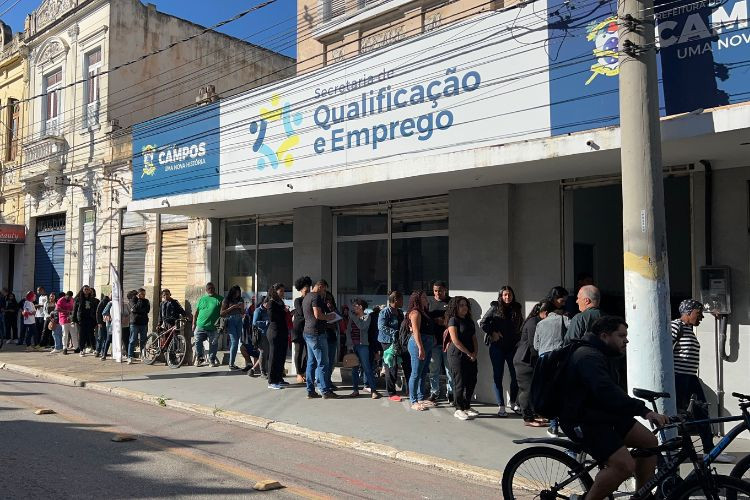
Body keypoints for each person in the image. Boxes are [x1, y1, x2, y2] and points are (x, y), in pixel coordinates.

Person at [559, 316, 669, 500]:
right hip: (583, 420)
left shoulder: (605, 354)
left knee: (649, 442)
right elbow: (607, 392)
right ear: (604, 336)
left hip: (604, 415)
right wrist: (645, 412)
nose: (626, 340)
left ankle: (642, 496)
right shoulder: (587, 356)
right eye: (621, 335)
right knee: (624, 466)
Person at [671, 299, 733, 463]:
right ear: (688, 313)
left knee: (702, 410)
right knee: (681, 414)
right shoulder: (676, 326)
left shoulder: (688, 329)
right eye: (698, 314)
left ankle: (709, 450)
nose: (701, 317)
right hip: (679, 377)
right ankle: (683, 449)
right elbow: (665, 350)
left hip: (690, 377)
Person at [480, 286, 523, 417]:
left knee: (515, 376)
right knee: (498, 376)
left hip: (513, 347)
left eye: (509, 294)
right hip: (497, 347)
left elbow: (520, 325)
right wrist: (493, 332)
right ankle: (501, 406)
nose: (507, 297)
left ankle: (513, 402)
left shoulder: (517, 308)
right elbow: (483, 323)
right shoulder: (495, 308)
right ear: (501, 296)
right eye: (505, 295)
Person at [533, 297, 571, 436]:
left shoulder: (540, 324)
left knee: (549, 392)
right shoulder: (563, 319)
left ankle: (553, 427)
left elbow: (536, 345)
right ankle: (568, 426)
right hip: (560, 357)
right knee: (563, 391)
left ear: (546, 312)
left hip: (544, 360)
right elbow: (573, 333)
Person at [513, 300, 554, 426]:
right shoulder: (533, 323)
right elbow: (533, 345)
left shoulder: (538, 321)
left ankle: (533, 414)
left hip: (529, 360)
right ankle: (528, 418)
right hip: (524, 361)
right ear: (545, 313)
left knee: (532, 389)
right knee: (527, 390)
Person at [302, 279, 338, 399]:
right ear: (320, 286)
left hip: (308, 332)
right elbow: (317, 315)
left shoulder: (306, 297)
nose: (324, 293)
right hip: (317, 334)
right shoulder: (316, 297)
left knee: (311, 362)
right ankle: (325, 391)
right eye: (324, 290)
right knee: (323, 362)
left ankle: (310, 391)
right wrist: (329, 317)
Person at [445, 296, 478, 420]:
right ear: (456, 307)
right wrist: (468, 353)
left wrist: (475, 353)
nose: (464, 307)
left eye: (466, 305)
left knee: (472, 380)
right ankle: (458, 409)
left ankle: (467, 406)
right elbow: (455, 340)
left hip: (470, 355)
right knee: (459, 382)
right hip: (456, 355)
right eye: (461, 305)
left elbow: (474, 338)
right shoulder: (453, 320)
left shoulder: (470, 321)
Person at [345, 298, 381, 399]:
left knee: (367, 368)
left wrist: (353, 317)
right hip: (353, 346)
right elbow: (348, 331)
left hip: (363, 346)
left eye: (355, 306)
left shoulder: (367, 317)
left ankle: (373, 390)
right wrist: (349, 345)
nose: (353, 308)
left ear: (360, 307)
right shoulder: (352, 317)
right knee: (354, 369)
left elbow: (362, 327)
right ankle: (355, 390)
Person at [406, 291, 436, 411]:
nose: (426, 299)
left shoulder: (424, 312)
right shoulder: (415, 313)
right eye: (423, 297)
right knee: (415, 373)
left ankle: (420, 397)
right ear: (417, 299)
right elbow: (416, 332)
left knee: (423, 373)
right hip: (418, 344)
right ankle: (413, 400)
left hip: (427, 344)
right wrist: (420, 347)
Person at [378, 291, 408, 401]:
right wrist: (395, 332)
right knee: (391, 366)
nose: (403, 302)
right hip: (387, 342)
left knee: (403, 364)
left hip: (399, 342)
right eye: (401, 299)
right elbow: (381, 327)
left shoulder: (400, 312)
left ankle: (408, 388)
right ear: (395, 300)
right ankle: (391, 392)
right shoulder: (385, 312)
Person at [426, 280, 451, 402]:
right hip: (434, 342)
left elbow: (455, 319)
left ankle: (450, 393)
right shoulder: (429, 302)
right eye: (435, 291)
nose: (437, 293)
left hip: (448, 342)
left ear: (445, 290)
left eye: (440, 291)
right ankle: (434, 392)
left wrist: (444, 322)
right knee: (434, 369)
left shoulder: (451, 302)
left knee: (450, 370)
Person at [265, 283, 290, 390]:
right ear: (275, 291)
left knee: (281, 356)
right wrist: (283, 311)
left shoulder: (280, 302)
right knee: (274, 356)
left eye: (284, 291)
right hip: (274, 332)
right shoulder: (271, 302)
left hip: (282, 331)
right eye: (281, 291)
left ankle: (279, 378)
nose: (283, 293)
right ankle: (271, 381)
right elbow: (272, 317)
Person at [192, 282, 223, 367]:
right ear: (206, 290)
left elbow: (223, 313)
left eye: (212, 288)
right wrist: (193, 323)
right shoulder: (202, 299)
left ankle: (212, 360)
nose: (211, 290)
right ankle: (200, 359)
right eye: (209, 288)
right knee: (197, 341)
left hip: (213, 327)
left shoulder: (220, 299)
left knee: (213, 344)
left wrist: (222, 325)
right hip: (200, 326)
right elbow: (196, 312)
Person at [292, 276, 312, 383]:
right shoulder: (298, 300)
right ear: (300, 289)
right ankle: (298, 373)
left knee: (309, 352)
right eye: (305, 288)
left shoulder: (311, 300)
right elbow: (301, 313)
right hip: (298, 329)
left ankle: (303, 371)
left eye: (308, 287)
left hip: (308, 329)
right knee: (299, 351)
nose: (307, 289)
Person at [220, 286, 245, 370]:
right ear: (232, 292)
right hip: (230, 320)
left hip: (239, 320)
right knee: (234, 341)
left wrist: (241, 307)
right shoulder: (226, 300)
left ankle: (232, 363)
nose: (237, 294)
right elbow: (222, 313)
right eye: (236, 292)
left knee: (236, 341)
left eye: (239, 292)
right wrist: (232, 307)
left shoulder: (240, 299)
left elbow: (243, 312)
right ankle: (231, 364)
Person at [128, 288, 151, 364]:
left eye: (144, 294)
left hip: (143, 323)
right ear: (138, 294)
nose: (143, 295)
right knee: (132, 340)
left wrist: (139, 310)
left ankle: (143, 355)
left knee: (143, 340)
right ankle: (130, 356)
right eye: (142, 294)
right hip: (134, 323)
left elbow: (147, 310)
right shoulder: (133, 300)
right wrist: (140, 300)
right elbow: (134, 309)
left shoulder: (146, 301)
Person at [74, 286, 98, 356]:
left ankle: (94, 349)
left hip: (90, 319)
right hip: (81, 319)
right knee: (82, 335)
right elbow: (75, 310)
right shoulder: (78, 299)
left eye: (88, 289)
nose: (86, 291)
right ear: (82, 290)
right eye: (85, 289)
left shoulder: (93, 299)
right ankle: (81, 350)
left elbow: (95, 310)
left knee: (91, 335)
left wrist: (96, 320)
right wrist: (73, 319)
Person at [252, 297, 271, 377]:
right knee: (263, 352)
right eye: (268, 304)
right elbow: (255, 322)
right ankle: (262, 372)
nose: (269, 305)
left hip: (269, 334)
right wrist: (266, 323)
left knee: (267, 353)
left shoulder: (269, 310)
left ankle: (267, 370)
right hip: (262, 334)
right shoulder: (258, 310)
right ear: (264, 303)